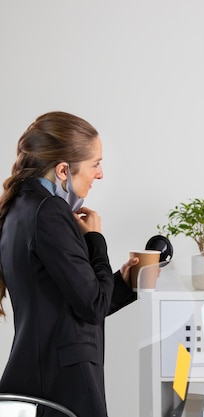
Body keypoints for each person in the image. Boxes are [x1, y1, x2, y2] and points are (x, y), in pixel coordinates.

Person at [0, 111, 139, 417]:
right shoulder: (49, 211)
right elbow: (92, 304)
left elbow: (74, 302)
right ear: (64, 170)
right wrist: (96, 241)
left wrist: (126, 282)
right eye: (96, 163)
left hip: (42, 381)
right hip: (63, 386)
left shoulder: (18, 208)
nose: (100, 174)